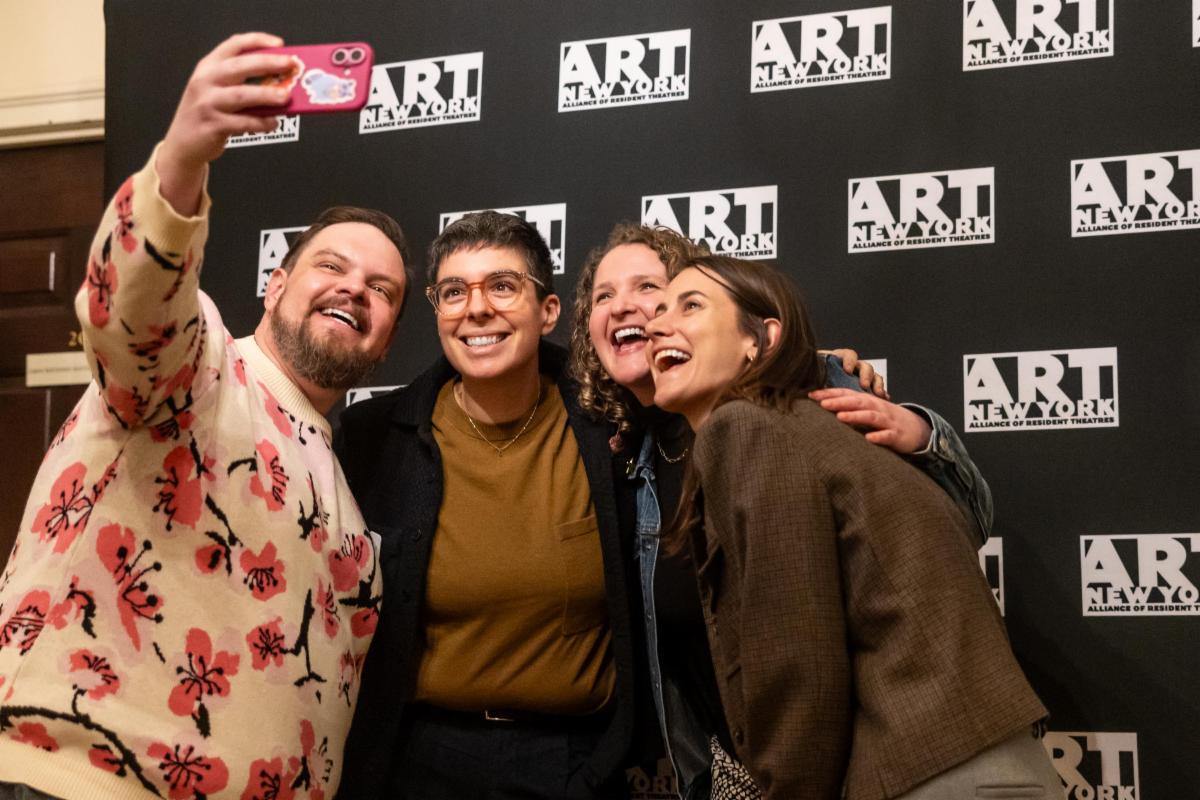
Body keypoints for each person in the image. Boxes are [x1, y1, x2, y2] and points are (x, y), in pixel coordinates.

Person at [0, 33, 410, 800]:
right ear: (275, 284)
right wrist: (182, 161)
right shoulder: (199, 366)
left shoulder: (348, 503)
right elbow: (130, 311)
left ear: (389, 336)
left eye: (383, 290)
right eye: (332, 266)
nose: (357, 289)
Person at [567, 223, 996, 799]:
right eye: (603, 296)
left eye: (655, 292)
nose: (629, 309)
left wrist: (925, 434)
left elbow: (952, 523)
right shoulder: (625, 453)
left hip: (875, 762)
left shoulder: (786, 398)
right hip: (738, 766)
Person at [643, 255, 1061, 800]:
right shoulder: (804, 424)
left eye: (691, 305)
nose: (656, 324)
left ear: (762, 340)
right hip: (973, 763)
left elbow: (797, 659)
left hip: (933, 774)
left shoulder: (745, 427)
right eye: (658, 312)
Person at [336, 212, 639, 799]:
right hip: (422, 764)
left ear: (548, 311)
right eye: (453, 292)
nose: (476, 309)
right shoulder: (375, 437)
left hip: (579, 761)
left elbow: (723, 367)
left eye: (501, 286)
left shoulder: (614, 421)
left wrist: (830, 370)